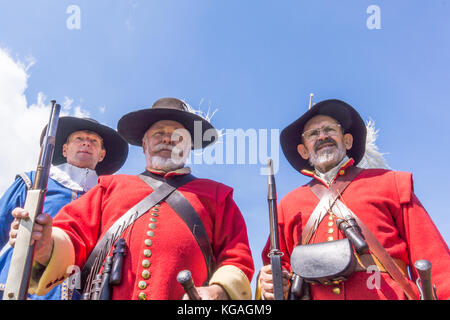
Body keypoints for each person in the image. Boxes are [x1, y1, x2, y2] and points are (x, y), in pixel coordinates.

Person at [10, 97, 254, 300]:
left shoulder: (218, 196)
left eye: (177, 136)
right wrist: (45, 247)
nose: (167, 139)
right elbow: (72, 234)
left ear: (189, 147)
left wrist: (218, 291)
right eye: (158, 134)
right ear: (145, 144)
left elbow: (236, 257)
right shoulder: (109, 187)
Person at [258, 99, 450, 300]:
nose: (322, 136)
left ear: (347, 141)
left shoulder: (392, 183)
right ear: (304, 151)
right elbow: (278, 272)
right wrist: (271, 284)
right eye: (313, 134)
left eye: (330, 130)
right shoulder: (288, 205)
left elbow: (433, 258)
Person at [0, 116, 128, 300]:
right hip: (18, 287)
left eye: (93, 141)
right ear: (65, 149)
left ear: (101, 154)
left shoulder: (110, 198)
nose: (86, 143)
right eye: (79, 139)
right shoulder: (30, 182)